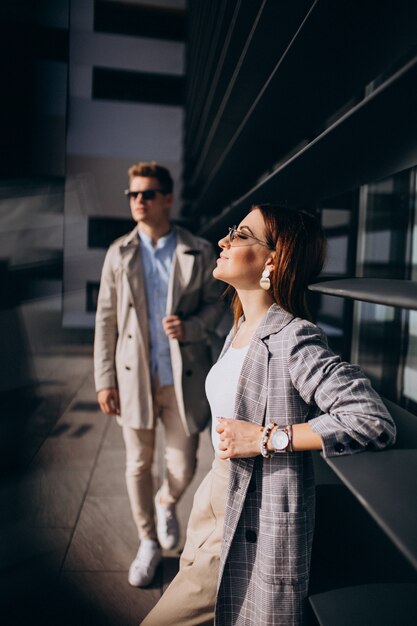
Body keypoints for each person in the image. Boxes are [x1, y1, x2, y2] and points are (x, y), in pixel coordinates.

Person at [141, 203, 396, 625]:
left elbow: (369, 418)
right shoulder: (240, 325)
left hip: (248, 513)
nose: (223, 241)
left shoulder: (294, 337)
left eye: (240, 235)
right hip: (213, 494)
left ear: (273, 259)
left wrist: (267, 438)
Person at [94, 161, 224, 587]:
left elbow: (216, 305)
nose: (138, 201)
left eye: (147, 193)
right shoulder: (119, 252)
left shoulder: (199, 250)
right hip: (133, 378)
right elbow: (106, 320)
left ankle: (167, 501)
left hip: (182, 378)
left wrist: (191, 328)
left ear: (168, 198)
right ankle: (147, 541)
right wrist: (104, 378)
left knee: (183, 465)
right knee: (137, 465)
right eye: (133, 194)